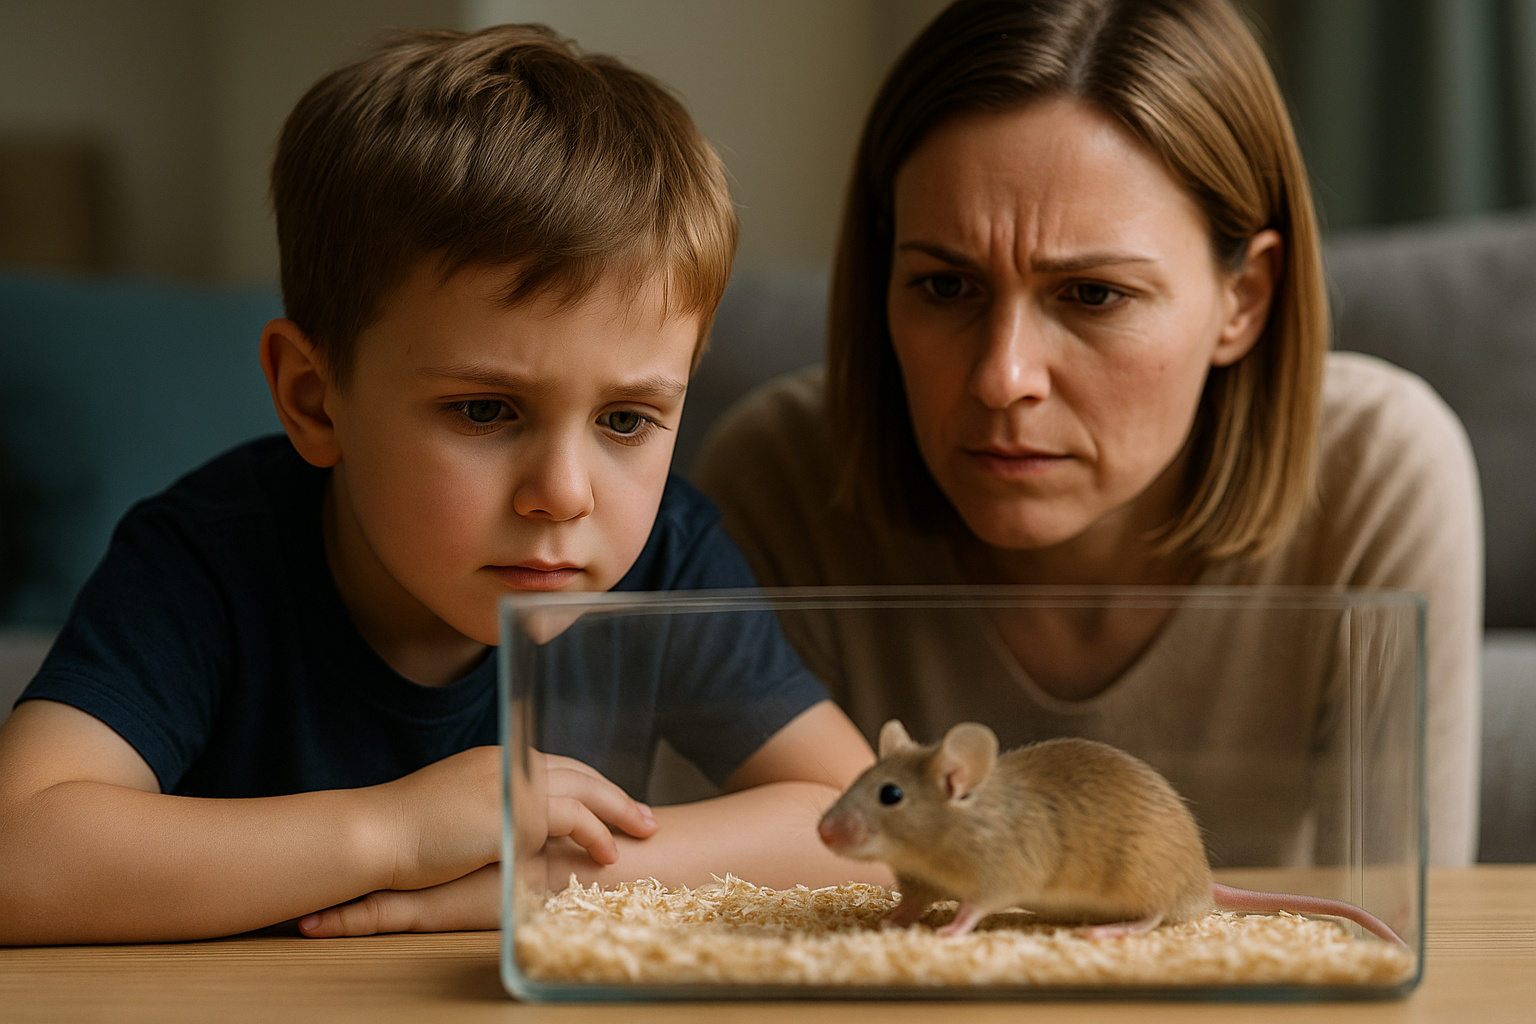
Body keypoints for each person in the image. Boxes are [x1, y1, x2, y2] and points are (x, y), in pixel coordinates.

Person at [0, 25, 878, 946]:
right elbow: (19, 849)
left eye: (626, 419)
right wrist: (399, 832)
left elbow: (867, 828)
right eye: (486, 412)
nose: (565, 495)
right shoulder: (208, 557)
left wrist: (551, 879)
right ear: (314, 397)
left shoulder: (670, 555)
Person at [697, 0, 1481, 867]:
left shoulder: (1381, 475)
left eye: (1094, 295)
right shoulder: (773, 480)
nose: (1003, 377)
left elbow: (1405, 937)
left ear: (1245, 298)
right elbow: (725, 914)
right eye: (946, 288)